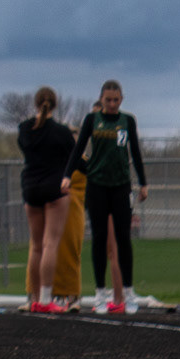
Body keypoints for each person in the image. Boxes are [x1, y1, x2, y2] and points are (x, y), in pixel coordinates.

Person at [63, 80, 147, 314]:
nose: (111, 104)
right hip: (97, 185)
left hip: (120, 186)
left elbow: (136, 152)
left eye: (116, 100)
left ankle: (129, 292)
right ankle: (100, 293)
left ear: (121, 100)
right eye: (107, 100)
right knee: (99, 239)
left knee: (123, 239)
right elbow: (78, 148)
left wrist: (143, 182)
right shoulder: (92, 120)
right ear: (101, 100)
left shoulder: (127, 121)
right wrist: (67, 176)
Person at [18, 87, 75, 313]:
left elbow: (26, 147)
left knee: (36, 245)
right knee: (50, 243)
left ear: (36, 103)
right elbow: (76, 156)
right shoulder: (61, 132)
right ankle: (45, 298)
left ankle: (32, 297)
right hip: (54, 188)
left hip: (30, 187)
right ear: (55, 104)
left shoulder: (24, 129)